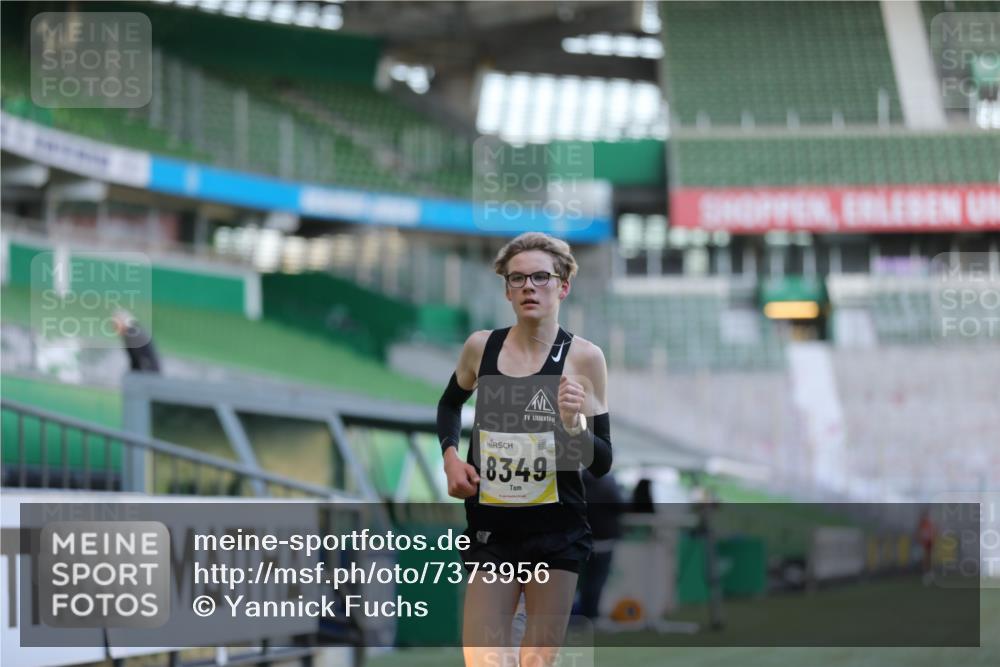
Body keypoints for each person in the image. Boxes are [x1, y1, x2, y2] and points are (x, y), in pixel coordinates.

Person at [437, 232, 612, 667]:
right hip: (492, 529)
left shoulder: (585, 358)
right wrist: (450, 457)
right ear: (507, 289)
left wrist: (574, 427)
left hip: (556, 534)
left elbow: (603, 460)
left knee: (535, 662)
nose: (529, 287)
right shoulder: (482, 347)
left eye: (540, 277)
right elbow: (449, 404)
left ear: (563, 285)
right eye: (518, 279)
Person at [576, 469, 625, 620]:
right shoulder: (607, 483)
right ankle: (591, 614)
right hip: (603, 539)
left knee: (584, 581)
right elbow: (619, 506)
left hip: (581, 539)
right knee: (596, 580)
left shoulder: (579, 481)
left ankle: (584, 613)